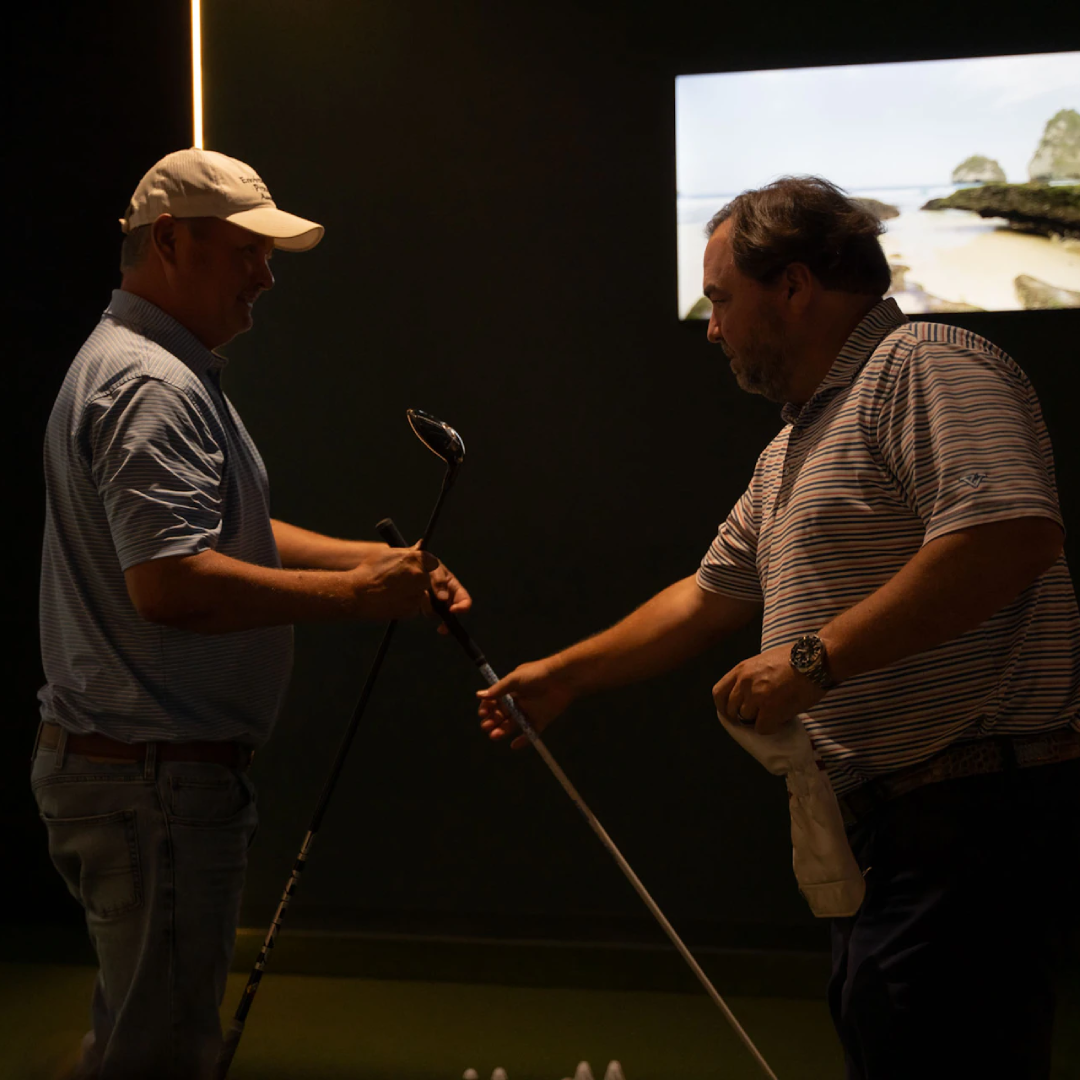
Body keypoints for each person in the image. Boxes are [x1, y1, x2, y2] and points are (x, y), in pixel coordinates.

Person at [477, 177, 1080, 1079]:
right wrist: (566, 674)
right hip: (888, 836)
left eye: (721, 299)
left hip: (968, 824)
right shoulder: (795, 444)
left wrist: (813, 659)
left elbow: (1007, 535)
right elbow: (707, 595)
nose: (711, 327)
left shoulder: (927, 363)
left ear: (793, 285)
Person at [33, 148, 471, 1080]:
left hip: (143, 777)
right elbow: (173, 583)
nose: (266, 277)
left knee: (132, 1042)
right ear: (170, 242)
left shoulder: (156, 368)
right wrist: (357, 598)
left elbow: (227, 529)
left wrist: (372, 559)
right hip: (152, 781)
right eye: (246, 253)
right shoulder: (153, 384)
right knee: (160, 1058)